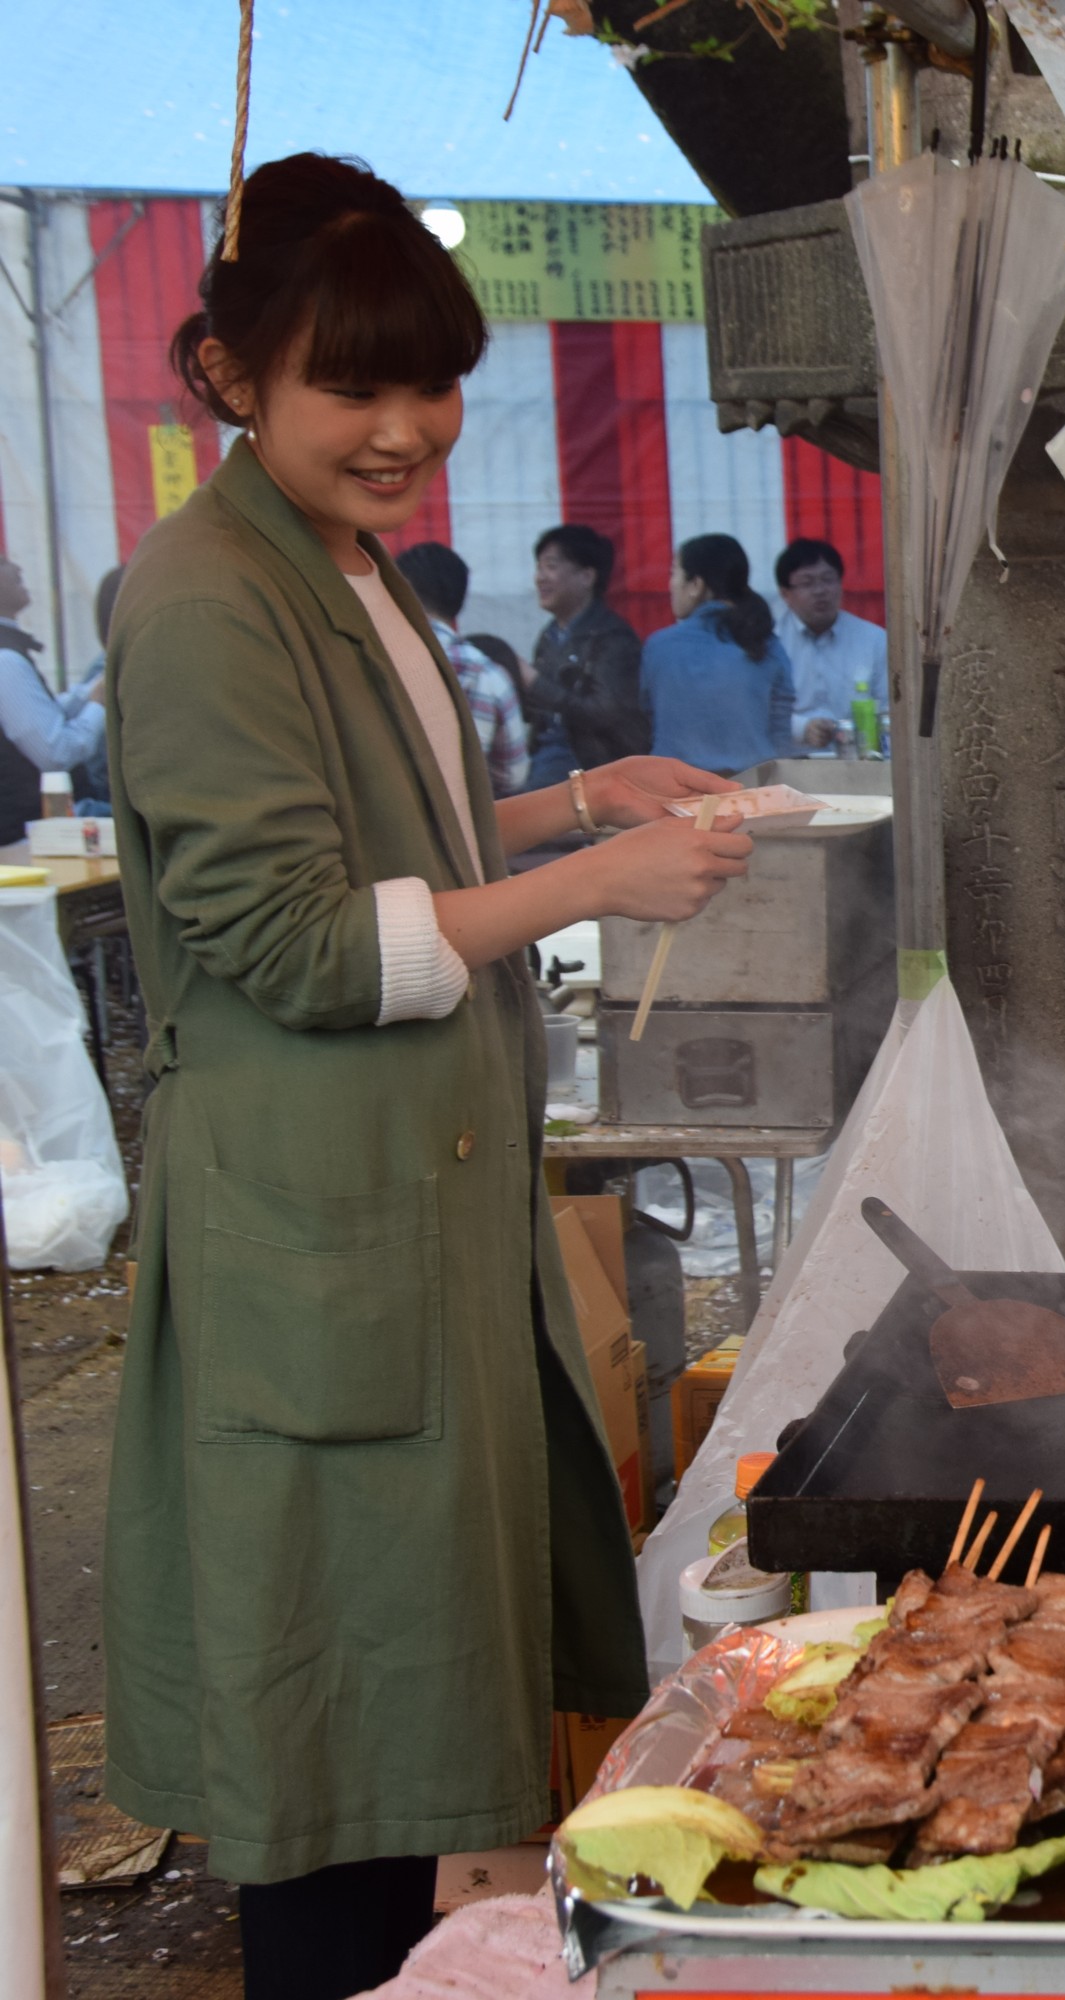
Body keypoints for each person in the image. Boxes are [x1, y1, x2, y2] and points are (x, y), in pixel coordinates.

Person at [98, 152, 749, 2000]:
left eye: (433, 383)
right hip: (314, 1222)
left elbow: (391, 839)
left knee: (407, 1707)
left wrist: (576, 803)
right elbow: (300, 943)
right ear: (231, 374)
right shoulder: (207, 596)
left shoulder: (339, 559)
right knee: (331, 1743)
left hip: (407, 1202)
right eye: (352, 386)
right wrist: (596, 885)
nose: (403, 430)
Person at [641, 533, 797, 774]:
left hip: (673, 788)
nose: (670, 584)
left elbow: (647, 720)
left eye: (674, 573)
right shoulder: (766, 644)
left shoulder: (659, 646)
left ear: (696, 585)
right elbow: (780, 739)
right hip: (753, 788)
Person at [393, 541, 530, 793]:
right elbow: (513, 776)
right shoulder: (489, 675)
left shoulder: (374, 659)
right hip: (471, 812)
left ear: (403, 589)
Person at [523, 521, 647, 790]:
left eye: (550, 566)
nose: (539, 577)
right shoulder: (549, 635)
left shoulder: (613, 637)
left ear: (587, 577)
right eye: (538, 568)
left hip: (587, 766)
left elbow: (606, 712)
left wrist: (534, 683)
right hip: (546, 760)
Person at [0, 551, 106, 828]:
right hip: (34, 829)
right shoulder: (6, 659)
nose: (17, 567)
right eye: (3, 562)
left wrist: (88, 695)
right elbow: (55, 755)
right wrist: (100, 703)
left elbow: (39, 716)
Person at [774, 536, 887, 753]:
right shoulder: (770, 643)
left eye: (828, 579)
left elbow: (890, 707)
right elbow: (760, 712)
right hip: (791, 762)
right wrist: (802, 728)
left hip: (860, 760)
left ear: (841, 583)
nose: (820, 591)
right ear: (785, 593)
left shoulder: (874, 639)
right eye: (807, 583)